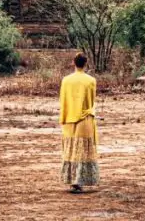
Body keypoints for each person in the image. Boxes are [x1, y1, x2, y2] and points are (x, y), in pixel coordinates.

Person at [58, 52, 99, 193]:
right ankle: (80, 181)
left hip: (69, 119)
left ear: (73, 63)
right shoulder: (91, 80)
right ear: (85, 63)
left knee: (71, 149)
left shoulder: (66, 80)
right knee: (82, 150)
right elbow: (91, 101)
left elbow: (63, 101)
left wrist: (62, 119)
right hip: (85, 120)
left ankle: (72, 181)